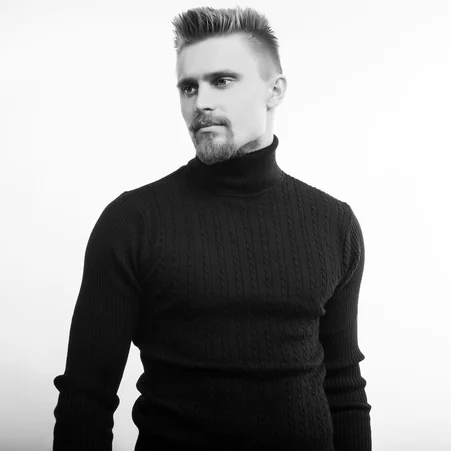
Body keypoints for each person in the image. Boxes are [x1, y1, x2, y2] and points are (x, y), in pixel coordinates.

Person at [52, 6, 372, 451]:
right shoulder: (132, 222)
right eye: (188, 86)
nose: (200, 102)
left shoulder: (335, 223)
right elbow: (87, 394)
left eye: (222, 81)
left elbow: (343, 384)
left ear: (274, 90)